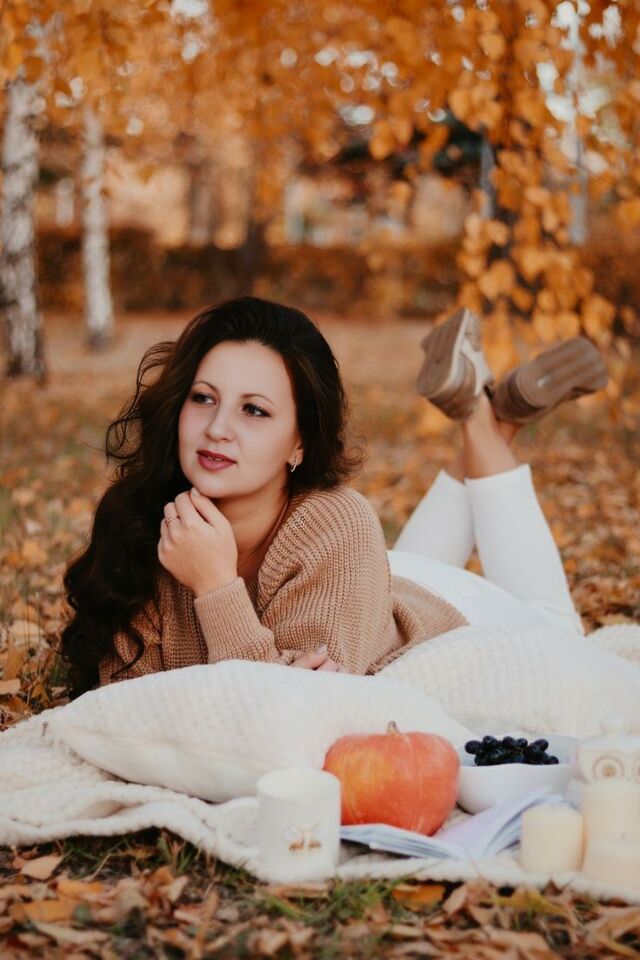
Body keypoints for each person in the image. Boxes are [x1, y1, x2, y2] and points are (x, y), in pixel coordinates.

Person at [58, 298, 608, 698]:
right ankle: (491, 418)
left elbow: (296, 719)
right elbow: (126, 705)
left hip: (450, 621)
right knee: (368, 560)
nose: (217, 429)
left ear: (300, 442)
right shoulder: (140, 522)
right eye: (203, 398)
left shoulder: (337, 524)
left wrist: (216, 588)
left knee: (563, 637)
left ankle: (483, 418)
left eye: (254, 410)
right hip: (369, 587)